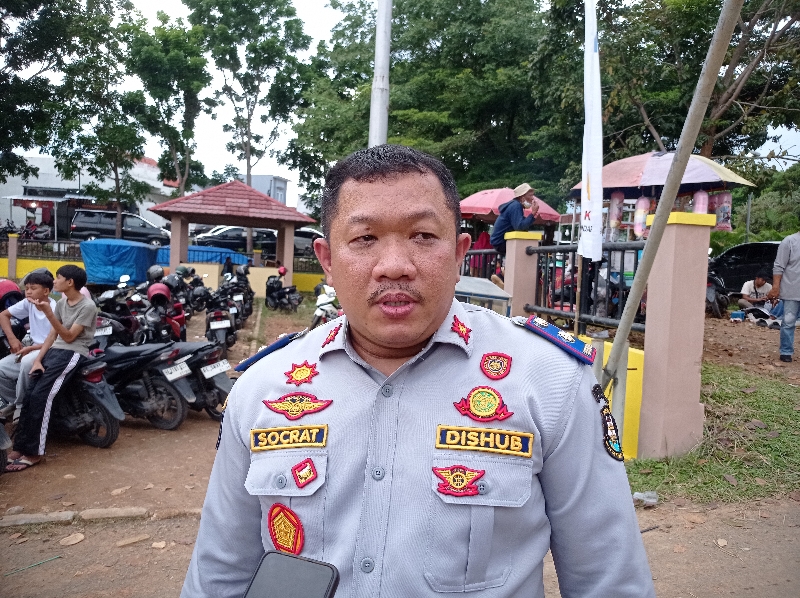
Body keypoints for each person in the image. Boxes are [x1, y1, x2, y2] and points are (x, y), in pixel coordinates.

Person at [182, 145, 654, 597]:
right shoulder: (265, 388)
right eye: (364, 239)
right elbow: (221, 573)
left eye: (423, 237)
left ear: (458, 252)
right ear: (327, 259)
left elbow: (607, 579)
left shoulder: (548, 380)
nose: (395, 266)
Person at [5, 265, 97, 472]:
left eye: (58, 278)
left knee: (42, 397)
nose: (54, 282)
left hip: (72, 353)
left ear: (70, 282)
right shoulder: (63, 302)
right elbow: (53, 335)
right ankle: (20, 447)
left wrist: (48, 313)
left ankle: (35, 453)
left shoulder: (87, 306)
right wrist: (38, 359)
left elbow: (69, 337)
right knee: (29, 396)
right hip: (54, 351)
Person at [0, 270, 55, 411]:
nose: (28, 292)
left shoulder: (55, 309)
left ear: (46, 291)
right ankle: (17, 402)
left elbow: (56, 340)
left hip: (49, 350)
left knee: (26, 362)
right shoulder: (28, 303)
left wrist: (30, 349)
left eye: (33, 288)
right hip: (32, 348)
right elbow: (3, 315)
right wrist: (12, 339)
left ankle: (21, 408)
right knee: (1, 367)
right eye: (27, 288)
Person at [768, 230, 800, 362]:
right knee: (788, 322)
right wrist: (775, 287)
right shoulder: (789, 241)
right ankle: (786, 351)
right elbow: (778, 266)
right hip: (792, 290)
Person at [489, 183, 540, 255]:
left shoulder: (514, 205)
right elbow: (519, 227)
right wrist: (533, 214)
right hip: (501, 243)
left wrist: (532, 216)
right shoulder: (516, 205)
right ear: (522, 197)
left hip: (499, 242)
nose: (532, 198)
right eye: (530, 195)